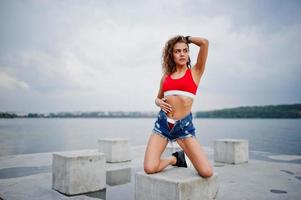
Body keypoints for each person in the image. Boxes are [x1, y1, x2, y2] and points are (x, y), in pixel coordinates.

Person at [143, 35, 213, 178]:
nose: (182, 54)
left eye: (185, 50)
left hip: (183, 128)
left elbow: (204, 43)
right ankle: (174, 159)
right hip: (163, 125)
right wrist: (158, 102)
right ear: (171, 55)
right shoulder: (166, 77)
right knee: (150, 168)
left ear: (188, 53)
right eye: (177, 51)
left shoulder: (195, 72)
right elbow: (158, 97)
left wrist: (187, 38)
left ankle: (179, 157)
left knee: (206, 172)